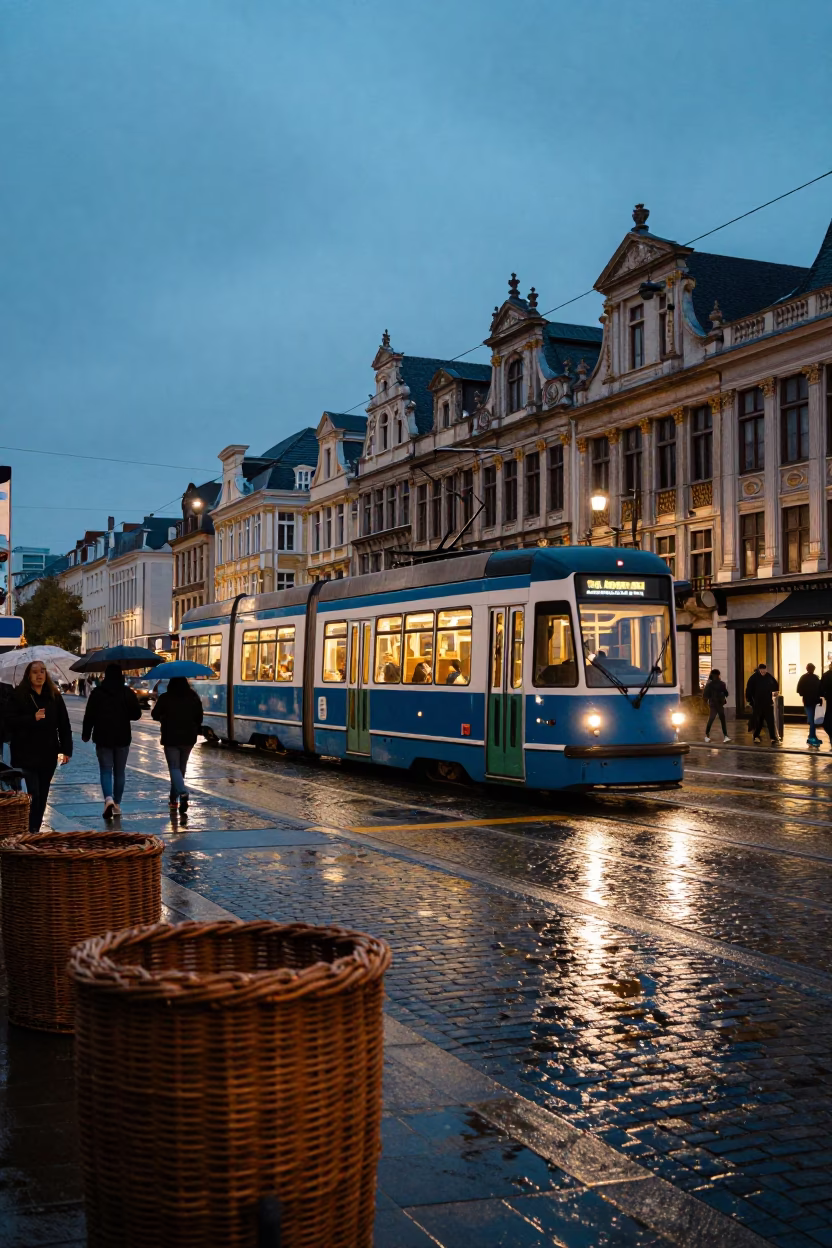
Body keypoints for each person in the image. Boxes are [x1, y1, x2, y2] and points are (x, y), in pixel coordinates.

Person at [7, 661, 72, 832]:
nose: (40, 675)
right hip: (26, 752)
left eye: (43, 671)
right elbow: (10, 722)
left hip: (48, 752)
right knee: (34, 791)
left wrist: (66, 749)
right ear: (28, 675)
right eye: (35, 671)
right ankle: (29, 826)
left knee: (43, 793)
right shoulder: (19, 696)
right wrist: (31, 718)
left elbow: (64, 724)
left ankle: (34, 828)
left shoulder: (54, 696)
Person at [82, 664, 142, 820]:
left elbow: (89, 715)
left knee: (106, 770)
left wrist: (86, 734)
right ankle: (117, 804)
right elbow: (136, 714)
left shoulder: (97, 693)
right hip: (122, 737)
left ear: (105, 676)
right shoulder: (126, 692)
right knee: (120, 772)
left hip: (103, 737)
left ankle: (108, 799)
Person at [151, 677, 204, 814]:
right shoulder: (193, 697)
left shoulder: (165, 697)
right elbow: (200, 718)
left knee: (174, 768)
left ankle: (182, 793)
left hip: (171, 737)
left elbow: (155, 714)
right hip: (188, 738)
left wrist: (164, 717)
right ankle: (173, 800)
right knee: (181, 769)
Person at [745, 662, 780, 745]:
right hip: (758, 703)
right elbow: (749, 690)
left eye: (764, 670)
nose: (763, 672)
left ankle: (772, 738)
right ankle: (756, 736)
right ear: (759, 670)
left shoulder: (769, 677)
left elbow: (775, 685)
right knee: (759, 721)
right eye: (762, 670)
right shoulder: (753, 678)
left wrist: (775, 692)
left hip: (768, 702)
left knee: (770, 720)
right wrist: (750, 701)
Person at [796, 662, 822, 748]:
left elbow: (799, 690)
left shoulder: (803, 678)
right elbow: (820, 690)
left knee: (811, 719)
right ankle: (812, 736)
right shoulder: (816, 678)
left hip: (807, 701)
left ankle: (812, 736)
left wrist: (805, 694)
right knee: (813, 720)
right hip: (815, 701)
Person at [702, 668, 730, 743]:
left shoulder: (709, 684)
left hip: (713, 704)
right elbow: (726, 693)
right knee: (722, 720)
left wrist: (705, 702)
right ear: (718, 675)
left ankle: (707, 735)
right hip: (720, 704)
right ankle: (726, 736)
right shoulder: (722, 683)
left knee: (711, 719)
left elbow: (705, 695)